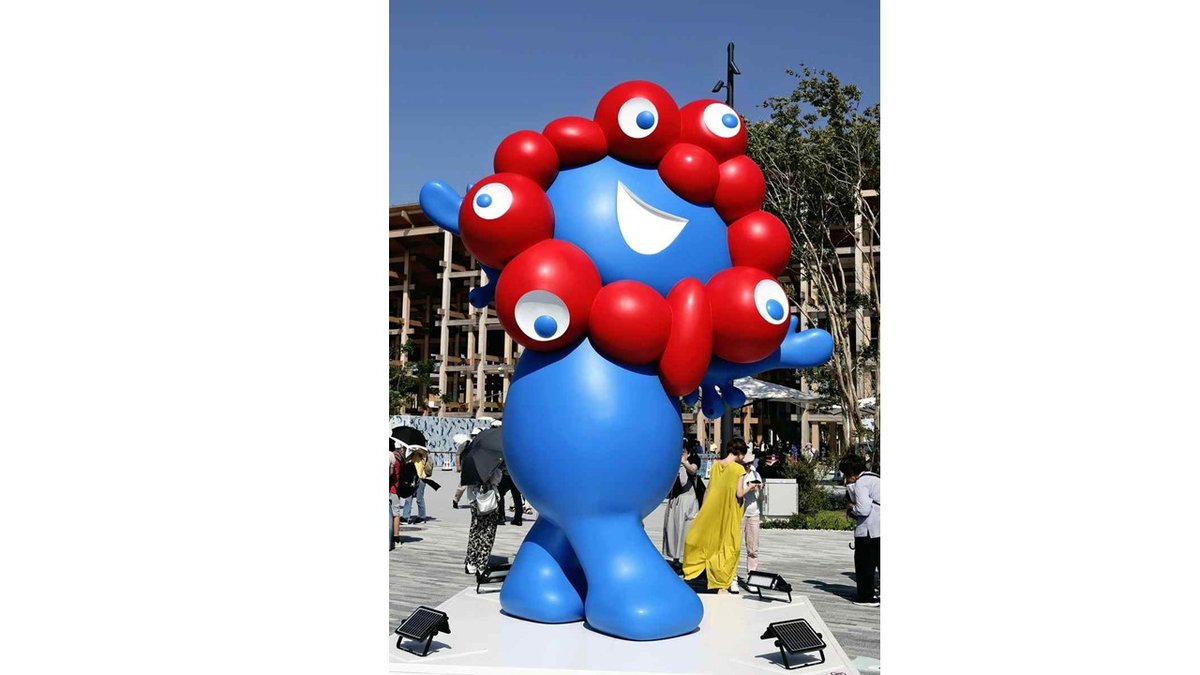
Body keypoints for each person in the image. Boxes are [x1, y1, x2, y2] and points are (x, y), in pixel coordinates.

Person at [682, 438, 758, 594]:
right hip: (729, 512)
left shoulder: (716, 465)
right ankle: (721, 582)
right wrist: (750, 486)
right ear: (739, 453)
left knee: (710, 543)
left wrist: (702, 511)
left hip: (712, 510)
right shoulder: (738, 469)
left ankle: (701, 574)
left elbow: (709, 490)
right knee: (728, 546)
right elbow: (739, 494)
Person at [839, 454, 880, 607]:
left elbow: (863, 509)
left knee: (865, 564)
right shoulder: (875, 478)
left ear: (850, 473)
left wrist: (851, 509)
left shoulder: (861, 483)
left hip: (870, 529)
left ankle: (867, 596)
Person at [662, 438, 701, 568]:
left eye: (683, 451)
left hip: (688, 499)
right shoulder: (672, 462)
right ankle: (675, 558)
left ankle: (685, 559)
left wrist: (684, 462)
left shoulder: (693, 460)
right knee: (673, 529)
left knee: (686, 530)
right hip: (675, 499)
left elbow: (693, 470)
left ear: (688, 452)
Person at [463, 462, 504, 574]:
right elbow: (496, 480)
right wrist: (496, 469)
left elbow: (465, 482)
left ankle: (471, 563)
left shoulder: (470, 462)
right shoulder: (490, 462)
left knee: (475, 531)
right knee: (488, 533)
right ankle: (482, 565)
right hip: (489, 501)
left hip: (474, 499)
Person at [738, 449, 765, 589]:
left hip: (754, 512)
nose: (748, 465)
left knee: (753, 548)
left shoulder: (755, 473)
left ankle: (752, 577)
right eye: (746, 463)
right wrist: (749, 487)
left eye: (750, 462)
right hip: (739, 513)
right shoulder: (737, 474)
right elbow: (738, 493)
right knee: (735, 547)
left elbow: (760, 495)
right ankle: (732, 577)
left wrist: (760, 487)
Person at [402, 444, 431, 524]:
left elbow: (422, 452)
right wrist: (407, 450)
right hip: (412, 477)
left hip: (421, 478)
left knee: (419, 498)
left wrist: (415, 448)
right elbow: (406, 459)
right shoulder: (413, 454)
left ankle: (422, 517)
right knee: (408, 497)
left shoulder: (424, 453)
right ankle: (405, 517)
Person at [452, 429, 480, 509]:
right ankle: (456, 499)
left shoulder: (480, 444)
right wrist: (458, 466)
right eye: (474, 435)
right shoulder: (466, 443)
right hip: (466, 467)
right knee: (463, 486)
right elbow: (458, 454)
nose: (475, 437)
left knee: (474, 485)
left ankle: (474, 501)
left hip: (476, 467)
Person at [497, 458, 527, 526]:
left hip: (505, 476)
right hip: (515, 476)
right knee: (517, 497)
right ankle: (518, 519)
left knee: (500, 496)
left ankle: (501, 517)